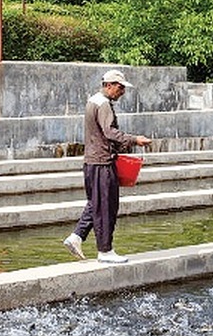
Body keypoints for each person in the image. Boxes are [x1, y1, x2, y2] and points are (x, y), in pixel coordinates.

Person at [63, 69, 152, 263]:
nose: (122, 92)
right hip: (102, 163)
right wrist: (134, 140)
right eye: (120, 88)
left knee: (96, 203)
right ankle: (105, 251)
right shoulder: (103, 105)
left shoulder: (93, 101)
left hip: (91, 162)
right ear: (109, 85)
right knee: (106, 207)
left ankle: (76, 236)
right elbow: (110, 132)